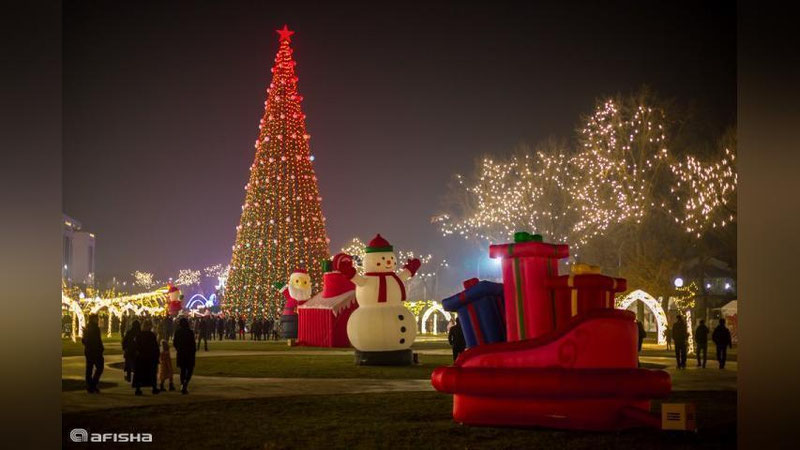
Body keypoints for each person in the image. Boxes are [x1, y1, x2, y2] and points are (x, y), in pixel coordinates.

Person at [132, 321, 160, 396]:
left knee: (140, 373)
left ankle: (138, 389)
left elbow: (135, 346)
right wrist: (156, 356)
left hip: (141, 357)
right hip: (150, 357)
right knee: (151, 373)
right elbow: (155, 347)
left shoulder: (139, 335)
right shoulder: (151, 335)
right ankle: (154, 388)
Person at [81, 314, 105, 393]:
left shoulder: (88, 328)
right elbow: (97, 340)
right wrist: (100, 348)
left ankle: (90, 385)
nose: (97, 320)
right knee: (99, 368)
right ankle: (93, 385)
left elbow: (84, 341)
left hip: (89, 351)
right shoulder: (95, 328)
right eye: (96, 319)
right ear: (93, 319)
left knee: (89, 368)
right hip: (95, 351)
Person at [173, 317, 197, 394]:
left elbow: (175, 343)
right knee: (190, 370)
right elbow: (193, 343)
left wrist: (178, 349)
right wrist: (193, 351)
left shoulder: (177, 332)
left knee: (182, 370)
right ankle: (185, 383)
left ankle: (182, 384)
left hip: (181, 353)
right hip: (189, 353)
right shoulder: (190, 332)